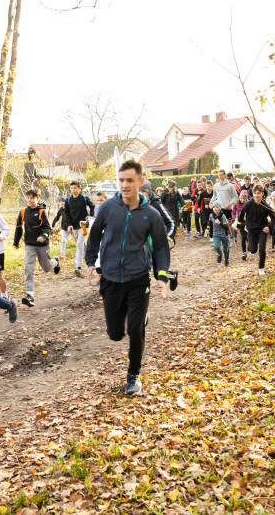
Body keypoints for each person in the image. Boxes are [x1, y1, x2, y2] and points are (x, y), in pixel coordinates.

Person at [85, 159, 171, 396]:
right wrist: (91, 261)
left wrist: (161, 276)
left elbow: (161, 247)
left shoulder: (150, 215)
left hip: (138, 278)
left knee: (135, 330)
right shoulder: (107, 209)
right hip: (111, 278)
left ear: (140, 181)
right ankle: (136, 320)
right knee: (115, 333)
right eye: (121, 180)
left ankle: (133, 375)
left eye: (129, 180)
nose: (124, 185)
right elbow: (93, 237)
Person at [14, 188, 60, 306]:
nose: (29, 200)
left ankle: (55, 261)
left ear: (37, 198)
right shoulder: (23, 212)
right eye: (28, 198)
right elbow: (18, 227)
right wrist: (16, 242)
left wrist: (43, 236)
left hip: (42, 245)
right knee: (28, 268)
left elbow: (48, 228)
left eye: (32, 198)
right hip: (29, 244)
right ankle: (30, 295)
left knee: (46, 268)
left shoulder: (41, 212)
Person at [236, 184, 275, 275]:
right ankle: (250, 245)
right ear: (253, 194)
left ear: (262, 193)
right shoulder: (248, 204)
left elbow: (274, 218)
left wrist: (269, 227)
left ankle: (261, 268)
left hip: (263, 229)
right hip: (251, 230)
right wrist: (238, 226)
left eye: (258, 193)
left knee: (262, 249)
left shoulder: (265, 205)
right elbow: (241, 216)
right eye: (255, 193)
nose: (256, 195)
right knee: (253, 250)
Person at [61, 180, 95, 278]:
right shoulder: (68, 200)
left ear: (79, 188)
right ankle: (90, 260)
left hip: (83, 225)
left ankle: (78, 267)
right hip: (73, 226)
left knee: (79, 244)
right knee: (81, 245)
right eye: (71, 188)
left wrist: (90, 216)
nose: (73, 190)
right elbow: (66, 214)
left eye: (75, 188)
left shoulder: (84, 198)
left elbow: (92, 206)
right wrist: (69, 225)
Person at [232, 190, 249, 260]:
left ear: (246, 198)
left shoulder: (248, 204)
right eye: (241, 198)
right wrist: (235, 218)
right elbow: (233, 212)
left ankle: (250, 245)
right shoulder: (236, 204)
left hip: (248, 223)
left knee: (248, 237)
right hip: (240, 223)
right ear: (239, 198)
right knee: (243, 237)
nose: (242, 200)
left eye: (244, 199)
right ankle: (244, 252)